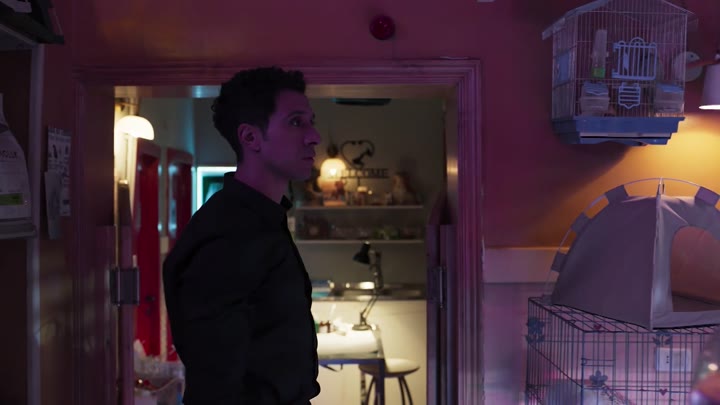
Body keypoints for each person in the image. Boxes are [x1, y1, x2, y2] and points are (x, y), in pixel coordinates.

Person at [162, 66, 322, 404]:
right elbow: (215, 382)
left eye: (311, 121)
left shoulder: (264, 220)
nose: (314, 136)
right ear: (250, 138)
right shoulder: (230, 232)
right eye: (296, 122)